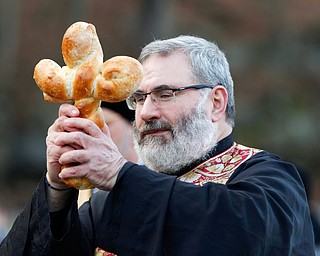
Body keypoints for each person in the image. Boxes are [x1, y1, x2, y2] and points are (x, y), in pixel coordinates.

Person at [0, 35, 315, 255]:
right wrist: (56, 190)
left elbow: (241, 236)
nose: (147, 112)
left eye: (166, 94)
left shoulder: (272, 180)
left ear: (216, 102)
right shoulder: (110, 202)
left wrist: (119, 175)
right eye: (139, 98)